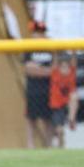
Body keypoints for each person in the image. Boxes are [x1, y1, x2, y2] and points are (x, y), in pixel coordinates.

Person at [24, 20, 53, 148]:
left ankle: (48, 144)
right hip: (33, 88)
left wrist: (39, 69)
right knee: (31, 118)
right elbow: (28, 69)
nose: (39, 35)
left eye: (41, 32)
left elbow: (55, 69)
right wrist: (45, 70)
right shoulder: (29, 47)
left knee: (48, 119)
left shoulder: (51, 47)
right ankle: (31, 145)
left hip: (48, 89)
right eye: (36, 32)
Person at [48, 51, 79, 148]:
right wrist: (56, 51)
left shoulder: (71, 74)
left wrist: (74, 50)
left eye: (67, 67)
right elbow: (55, 62)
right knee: (59, 130)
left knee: (74, 96)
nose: (65, 69)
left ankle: (71, 119)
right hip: (58, 105)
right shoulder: (55, 74)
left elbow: (74, 61)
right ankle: (61, 143)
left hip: (68, 104)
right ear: (59, 67)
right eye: (63, 67)